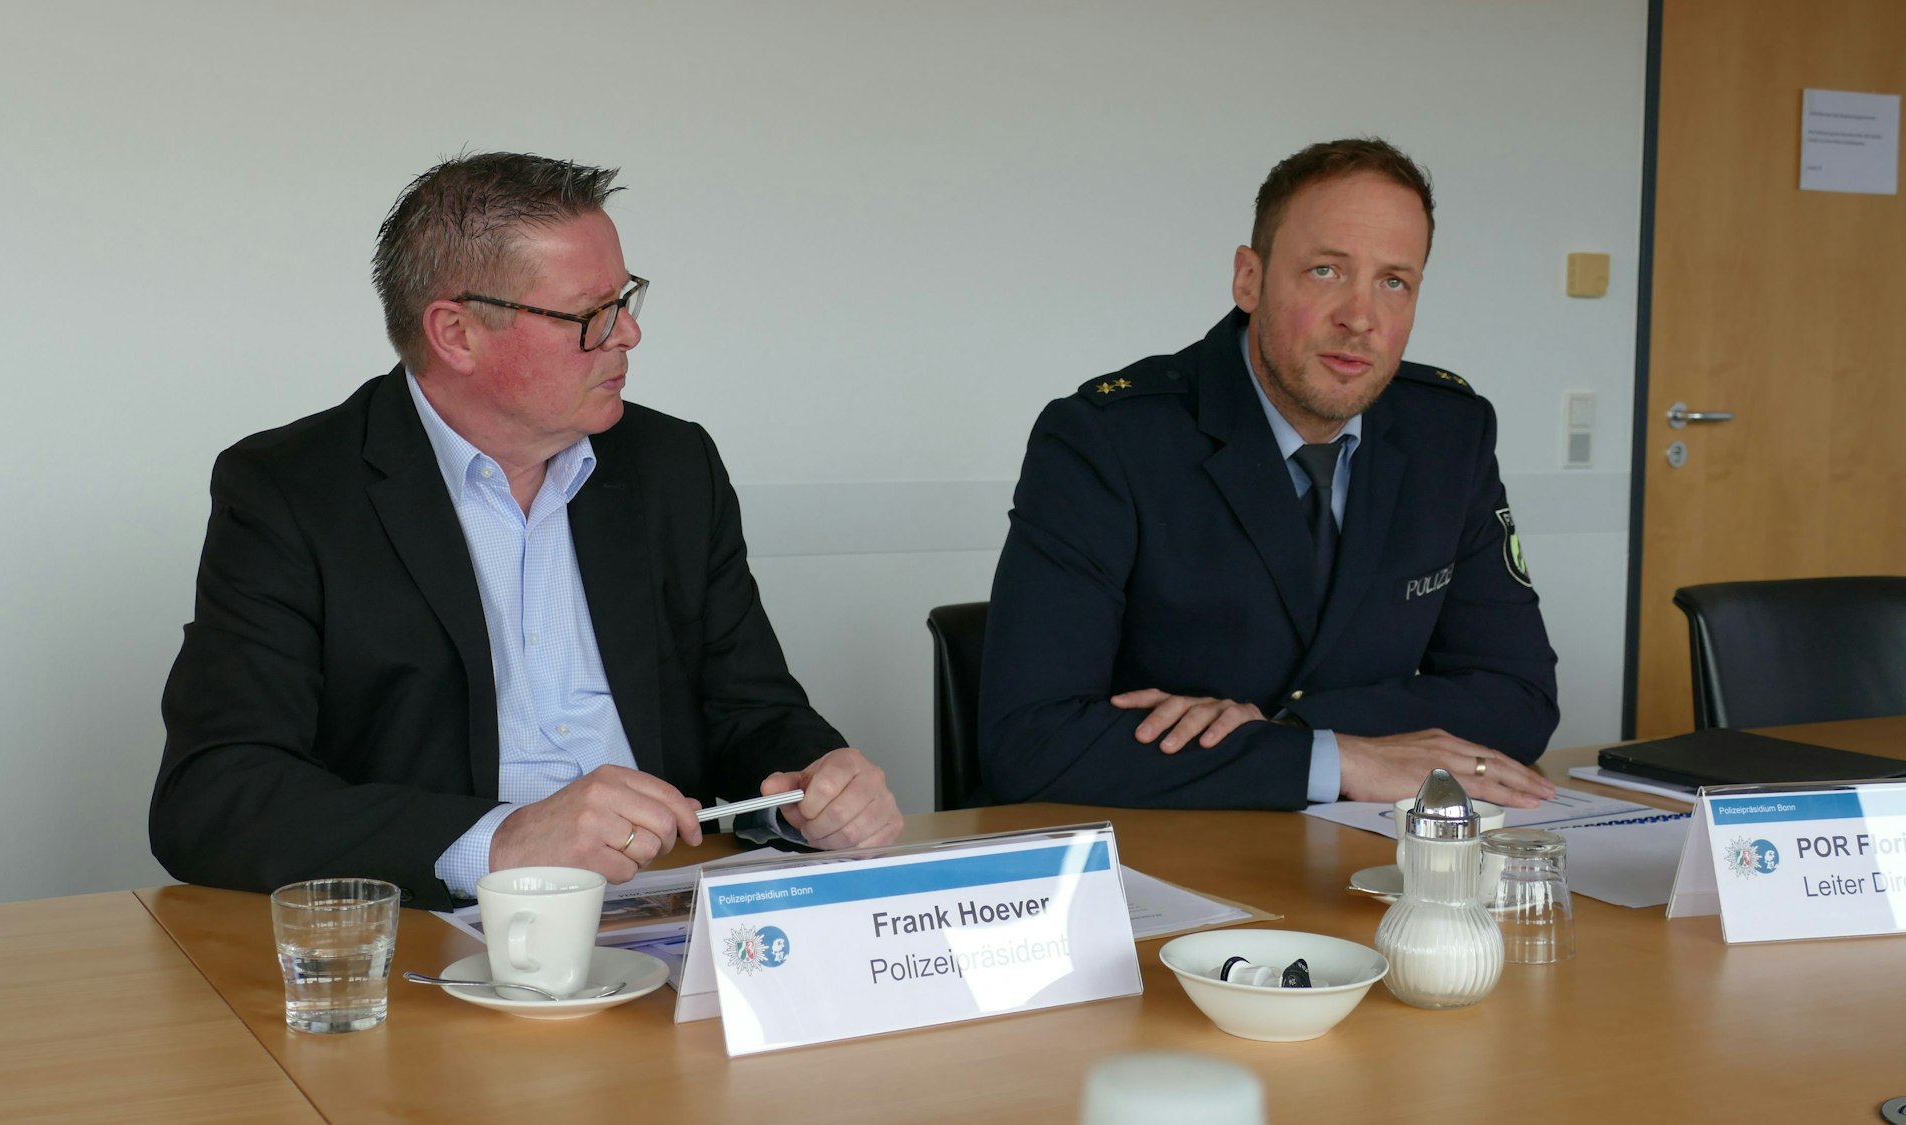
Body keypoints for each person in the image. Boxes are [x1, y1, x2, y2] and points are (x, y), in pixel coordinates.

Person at [151, 153, 901, 909]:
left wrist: (814, 785)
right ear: (457, 333)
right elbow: (213, 794)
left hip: (675, 905)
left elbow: (754, 713)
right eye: (590, 313)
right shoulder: (293, 489)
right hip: (441, 930)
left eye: (627, 297)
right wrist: (500, 841)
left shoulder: (672, 466)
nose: (629, 333)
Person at [979, 138, 1559, 812]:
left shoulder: (1448, 433)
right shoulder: (1107, 440)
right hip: (1168, 866)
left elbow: (1519, 697)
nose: (1361, 317)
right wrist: (1336, 759)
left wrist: (1298, 733)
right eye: (1325, 271)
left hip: (1372, 859)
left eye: (1393, 281)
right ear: (1248, 279)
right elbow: (1028, 742)